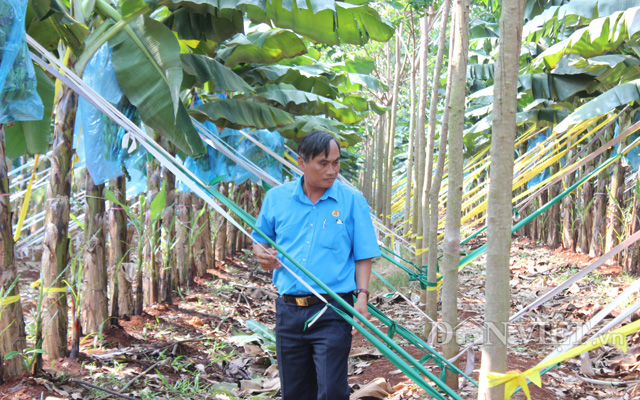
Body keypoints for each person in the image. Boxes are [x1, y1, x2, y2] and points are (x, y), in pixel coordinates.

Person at [251, 130, 380, 400]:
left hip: (332, 308)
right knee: (295, 391)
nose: (332, 170)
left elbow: (363, 253)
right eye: (323, 163)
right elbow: (260, 240)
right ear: (301, 163)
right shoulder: (276, 198)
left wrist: (362, 296)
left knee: (333, 390)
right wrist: (262, 255)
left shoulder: (351, 200)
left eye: (336, 162)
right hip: (289, 310)